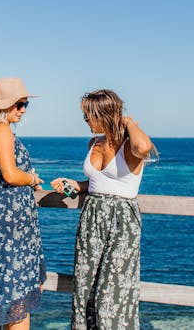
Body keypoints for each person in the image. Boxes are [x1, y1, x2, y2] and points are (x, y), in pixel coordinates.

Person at [51, 89, 156, 330]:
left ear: (103, 114)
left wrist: (126, 121)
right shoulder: (94, 142)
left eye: (89, 115)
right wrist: (75, 185)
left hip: (122, 220)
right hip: (92, 217)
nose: (86, 121)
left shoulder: (130, 144)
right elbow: (99, 183)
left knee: (111, 295)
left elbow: (144, 147)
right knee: (84, 287)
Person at [0, 77, 47, 330]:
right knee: (17, 291)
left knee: (13, 289)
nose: (23, 110)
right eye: (19, 105)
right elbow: (10, 174)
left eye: (26, 104)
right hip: (11, 220)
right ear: (4, 106)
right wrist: (32, 178)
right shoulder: (2, 130)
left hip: (4, 216)